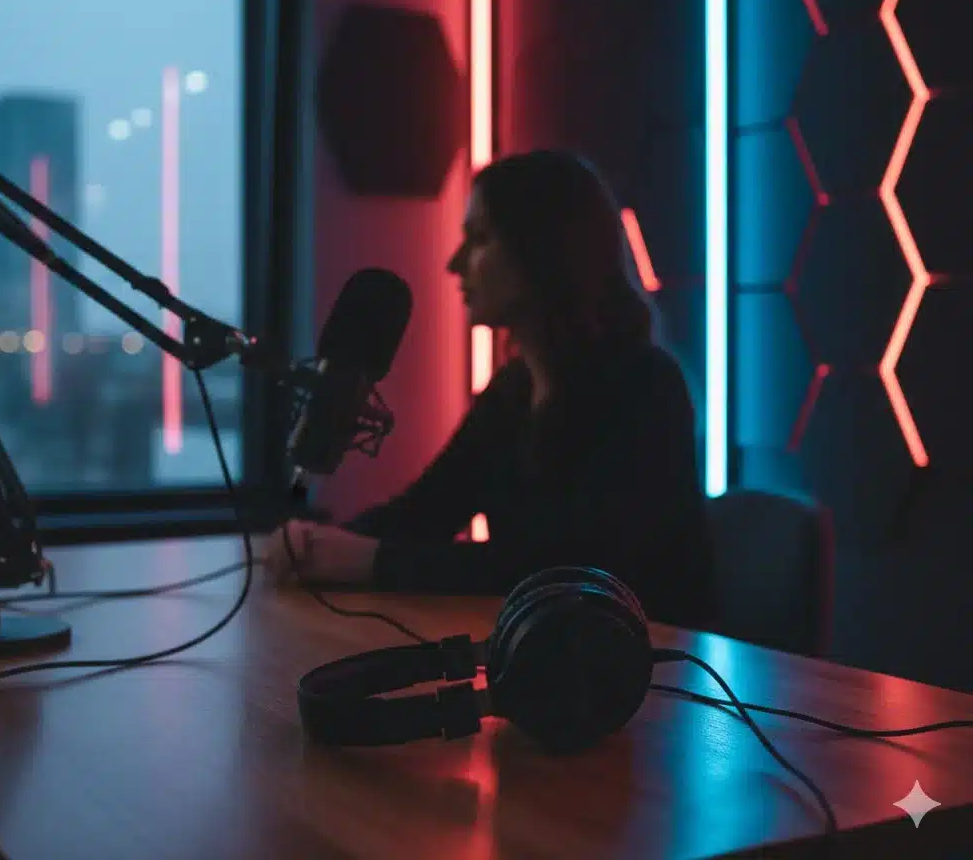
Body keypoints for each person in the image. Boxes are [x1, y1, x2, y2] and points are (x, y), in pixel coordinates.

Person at [265, 149, 717, 630]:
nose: (455, 264)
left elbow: (564, 570)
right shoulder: (512, 393)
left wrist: (367, 560)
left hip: (653, 669)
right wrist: (315, 546)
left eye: (479, 239)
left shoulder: (645, 387)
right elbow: (427, 511)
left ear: (541, 250)